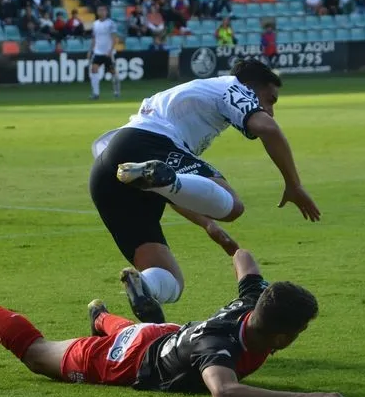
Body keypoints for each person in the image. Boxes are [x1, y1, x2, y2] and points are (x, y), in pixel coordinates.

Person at [0, 247, 347, 397]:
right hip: (131, 359)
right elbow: (225, 392)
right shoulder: (221, 350)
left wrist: (220, 233)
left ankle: (102, 318)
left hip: (168, 338)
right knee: (37, 354)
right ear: (282, 337)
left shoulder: (254, 302)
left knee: (143, 332)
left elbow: (246, 259)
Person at [89, 58, 320, 323]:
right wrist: (294, 184)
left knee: (169, 280)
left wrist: (207, 224)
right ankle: (162, 176)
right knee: (233, 206)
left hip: (108, 174)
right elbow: (267, 128)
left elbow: (171, 190)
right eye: (269, 100)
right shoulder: (232, 87)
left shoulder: (194, 106)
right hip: (145, 144)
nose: (269, 110)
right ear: (251, 88)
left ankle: (131, 295)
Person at [88, 5, 120, 100]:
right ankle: (95, 93)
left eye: (103, 10)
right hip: (98, 52)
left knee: (113, 72)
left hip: (108, 53)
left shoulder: (110, 23)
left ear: (106, 12)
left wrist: (110, 50)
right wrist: (91, 50)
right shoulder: (95, 24)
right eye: (99, 10)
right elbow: (94, 38)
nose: (101, 12)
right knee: (93, 69)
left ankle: (116, 91)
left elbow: (114, 38)